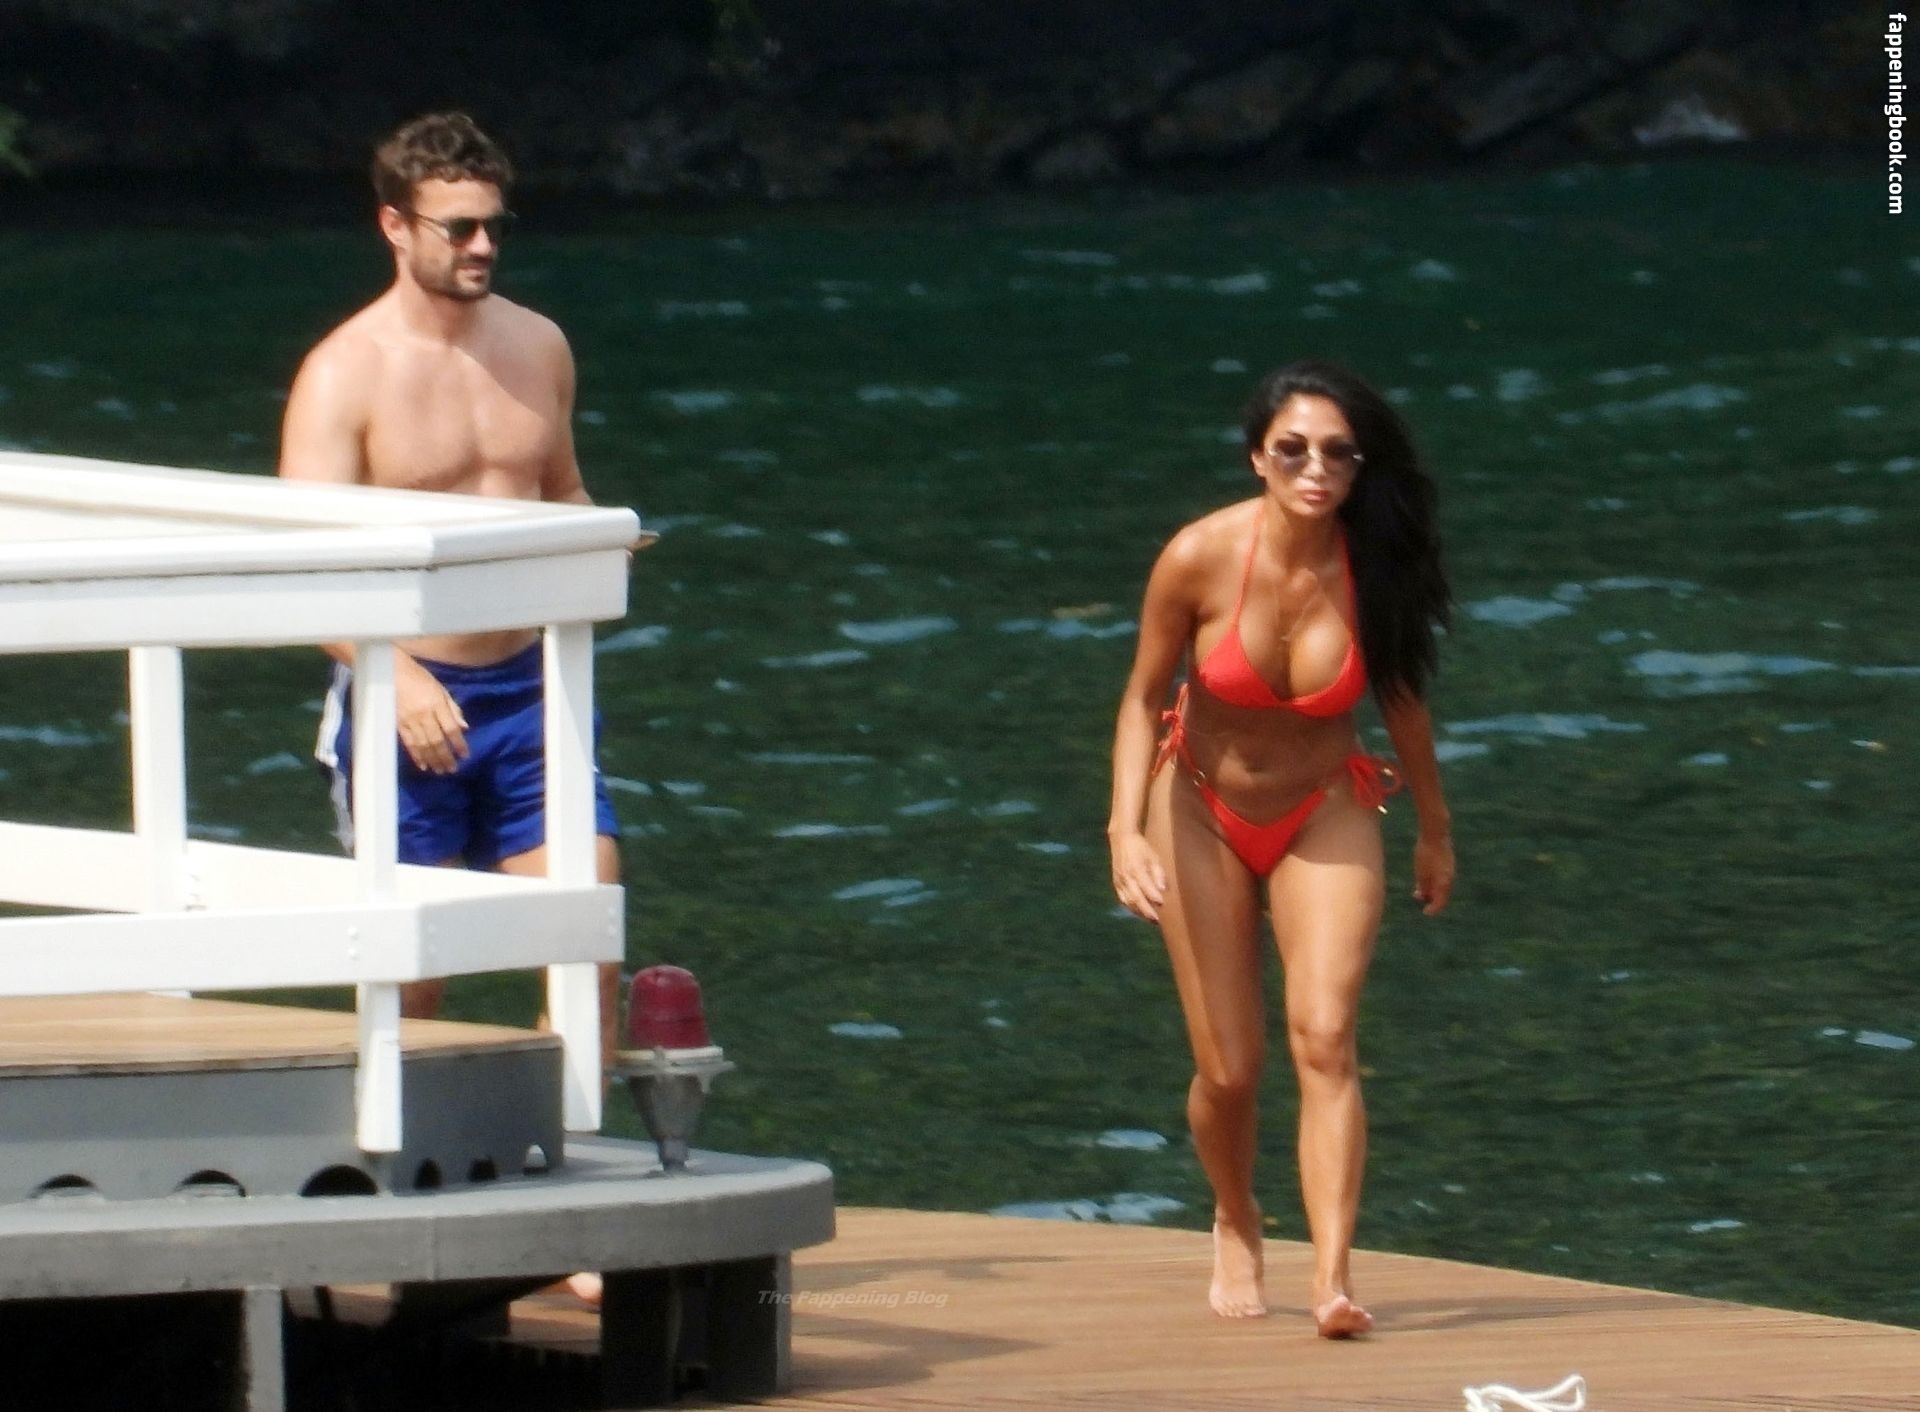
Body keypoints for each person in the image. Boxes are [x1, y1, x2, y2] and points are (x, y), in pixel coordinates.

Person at [277, 112, 622, 1303]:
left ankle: (573, 1184)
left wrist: (609, 541)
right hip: (402, 696)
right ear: (395, 225)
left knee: (585, 926)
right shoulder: (345, 371)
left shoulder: (538, 344)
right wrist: (396, 672)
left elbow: (561, 490)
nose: (482, 246)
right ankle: (400, 1182)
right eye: (459, 228)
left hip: (531, 688)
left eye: (494, 226)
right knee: (413, 964)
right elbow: (300, 568)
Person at [1107, 360, 1454, 1337]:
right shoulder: (1198, 556)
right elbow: (1141, 698)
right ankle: (1235, 1212)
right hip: (1198, 806)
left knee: (1326, 1035)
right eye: (1293, 449)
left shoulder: (1372, 565)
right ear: (1257, 456)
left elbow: (1403, 703)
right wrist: (1123, 828)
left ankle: (1333, 1279)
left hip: (1324, 806)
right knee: (1231, 1069)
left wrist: (1435, 828)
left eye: (1339, 454)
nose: (1317, 469)